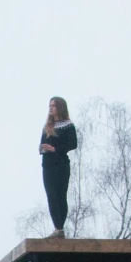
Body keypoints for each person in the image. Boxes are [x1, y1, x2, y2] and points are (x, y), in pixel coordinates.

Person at [39, 96, 78, 235]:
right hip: (47, 166)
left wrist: (54, 149)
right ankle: (57, 227)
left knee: (61, 195)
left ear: (60, 107)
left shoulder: (68, 125)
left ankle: (60, 227)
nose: (51, 108)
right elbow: (41, 144)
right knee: (51, 195)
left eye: (54, 105)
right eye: (50, 105)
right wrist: (43, 148)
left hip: (61, 165)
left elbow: (73, 144)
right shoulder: (47, 127)